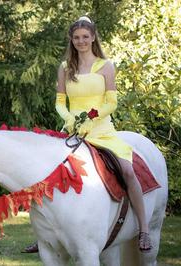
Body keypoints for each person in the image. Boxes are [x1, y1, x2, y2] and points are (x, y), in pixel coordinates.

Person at [23, 15, 152, 253]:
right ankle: (44, 234)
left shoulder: (106, 66)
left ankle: (144, 228)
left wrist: (91, 117)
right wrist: (69, 117)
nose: (81, 41)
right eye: (76, 38)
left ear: (93, 38)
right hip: (72, 129)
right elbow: (60, 102)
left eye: (85, 37)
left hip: (101, 130)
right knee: (43, 173)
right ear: (71, 41)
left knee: (127, 170)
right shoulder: (65, 68)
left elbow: (111, 102)